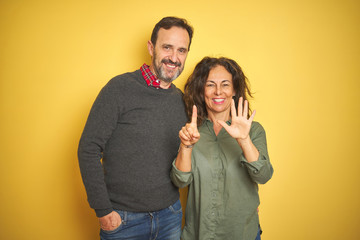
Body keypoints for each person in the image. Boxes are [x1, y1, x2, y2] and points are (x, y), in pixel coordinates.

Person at [78, 16, 194, 240]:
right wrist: (103, 211)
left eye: (182, 50)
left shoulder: (181, 100)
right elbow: (88, 148)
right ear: (151, 48)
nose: (174, 57)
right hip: (123, 221)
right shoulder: (119, 88)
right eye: (167, 47)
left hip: (169, 216)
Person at [170, 57, 274, 240]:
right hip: (199, 233)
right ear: (202, 91)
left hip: (242, 234)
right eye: (210, 84)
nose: (218, 91)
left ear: (234, 89)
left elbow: (263, 175)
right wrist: (186, 146)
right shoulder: (191, 131)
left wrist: (244, 140)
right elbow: (180, 181)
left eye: (225, 84)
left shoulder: (254, 130)